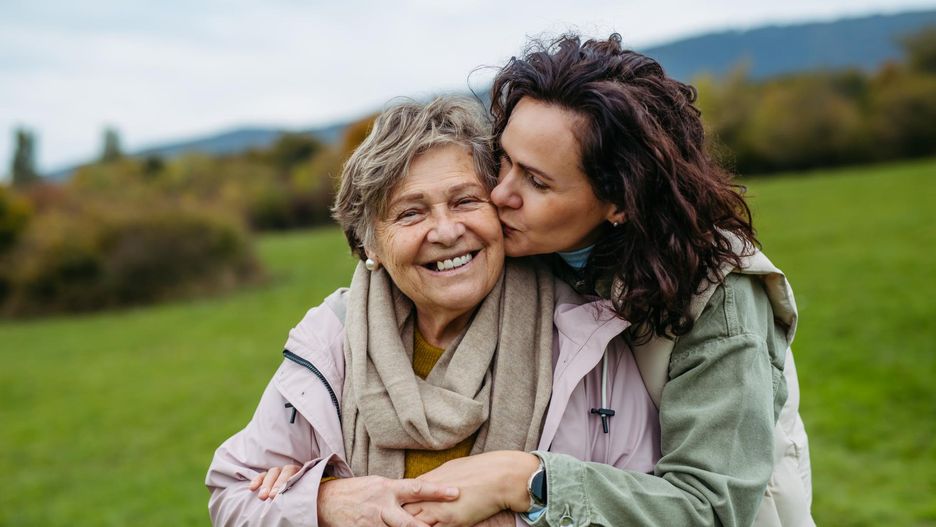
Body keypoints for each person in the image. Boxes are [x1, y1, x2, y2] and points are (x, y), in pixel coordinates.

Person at [401, 34, 813, 526]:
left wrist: (528, 481)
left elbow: (712, 507)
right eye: (502, 161)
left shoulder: (718, 297)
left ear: (620, 201)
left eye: (537, 181)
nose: (501, 194)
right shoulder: (519, 249)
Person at [205, 97, 561, 526]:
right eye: (411, 213)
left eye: (466, 201)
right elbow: (233, 496)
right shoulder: (334, 334)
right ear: (370, 244)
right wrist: (320, 504)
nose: (447, 231)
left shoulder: (578, 332)